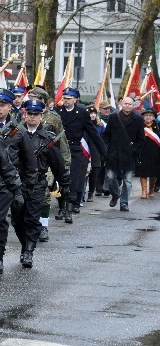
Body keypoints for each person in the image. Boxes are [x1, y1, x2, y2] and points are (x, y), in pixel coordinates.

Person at [0, 88, 37, 274]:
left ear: (9, 107)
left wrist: (26, 188)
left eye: (2, 106)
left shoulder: (18, 131)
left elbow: (29, 162)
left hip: (7, 182)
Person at [12, 100, 70, 268]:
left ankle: (29, 251)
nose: (32, 117)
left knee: (32, 218)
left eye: (35, 114)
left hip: (37, 183)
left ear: (41, 116)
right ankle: (25, 245)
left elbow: (57, 164)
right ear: (25, 115)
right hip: (17, 182)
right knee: (17, 220)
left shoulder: (47, 139)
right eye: (29, 114)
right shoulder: (15, 134)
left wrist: (65, 184)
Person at [55, 87, 106, 220]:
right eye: (64, 98)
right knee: (60, 181)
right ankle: (61, 207)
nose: (65, 101)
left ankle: (69, 210)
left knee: (72, 180)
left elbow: (93, 133)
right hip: (59, 150)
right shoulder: (57, 111)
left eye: (69, 98)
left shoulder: (82, 113)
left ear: (75, 99)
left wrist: (104, 152)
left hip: (75, 150)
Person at [27, 86, 69, 241]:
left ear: (42, 100)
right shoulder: (23, 115)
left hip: (47, 161)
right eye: (30, 97)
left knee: (44, 193)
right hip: (28, 161)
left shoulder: (53, 118)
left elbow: (61, 141)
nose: (31, 100)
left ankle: (43, 225)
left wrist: (65, 163)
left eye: (35, 97)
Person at [103, 96, 145, 211]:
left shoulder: (138, 119)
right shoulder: (113, 117)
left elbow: (141, 139)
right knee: (111, 177)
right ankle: (116, 195)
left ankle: (124, 203)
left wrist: (135, 150)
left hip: (129, 154)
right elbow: (106, 134)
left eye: (129, 104)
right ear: (121, 104)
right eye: (125, 103)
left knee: (128, 181)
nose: (127, 106)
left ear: (133, 105)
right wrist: (106, 149)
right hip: (114, 153)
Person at [137, 109, 160, 198]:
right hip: (143, 152)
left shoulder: (157, 126)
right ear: (143, 117)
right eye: (146, 115)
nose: (148, 117)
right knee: (143, 171)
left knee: (153, 172)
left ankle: (151, 189)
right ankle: (143, 191)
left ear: (154, 117)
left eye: (150, 115)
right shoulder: (140, 126)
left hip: (155, 152)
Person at [85, 106, 106, 202]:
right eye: (90, 113)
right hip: (85, 151)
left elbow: (103, 139)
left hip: (95, 152)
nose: (92, 115)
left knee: (93, 174)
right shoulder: (83, 124)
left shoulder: (100, 126)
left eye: (94, 113)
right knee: (83, 174)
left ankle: (90, 193)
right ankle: (81, 194)